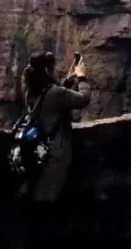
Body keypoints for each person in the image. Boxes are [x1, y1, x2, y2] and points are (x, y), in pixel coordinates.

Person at [20, 51, 91, 206]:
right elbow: (84, 99)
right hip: (55, 155)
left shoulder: (30, 91)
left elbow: (51, 99)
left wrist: (68, 80)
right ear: (47, 71)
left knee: (38, 195)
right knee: (50, 200)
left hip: (38, 150)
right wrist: (81, 77)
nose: (57, 70)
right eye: (54, 68)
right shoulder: (56, 93)